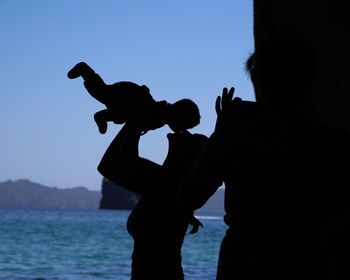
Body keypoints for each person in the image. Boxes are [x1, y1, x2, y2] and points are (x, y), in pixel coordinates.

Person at [178, 29, 350, 279]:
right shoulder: (335, 143)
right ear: (310, 80)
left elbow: (188, 197)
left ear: (260, 79)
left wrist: (221, 132)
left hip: (244, 262)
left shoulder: (235, 137)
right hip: (311, 260)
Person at [97, 115, 208, 279]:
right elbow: (109, 165)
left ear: (187, 156)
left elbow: (110, 165)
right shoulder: (167, 180)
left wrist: (138, 118)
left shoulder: (166, 183)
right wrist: (136, 121)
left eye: (190, 137)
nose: (184, 132)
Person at [67, 62, 200, 134]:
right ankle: (85, 71)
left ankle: (101, 117)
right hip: (129, 95)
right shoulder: (161, 115)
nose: (180, 130)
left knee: (118, 113)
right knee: (103, 93)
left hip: (130, 100)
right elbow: (146, 117)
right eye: (183, 126)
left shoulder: (163, 117)